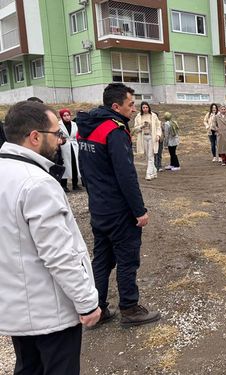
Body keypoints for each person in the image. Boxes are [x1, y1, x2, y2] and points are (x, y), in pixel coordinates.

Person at [0, 100, 101, 374]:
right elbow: (59, 253)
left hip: (17, 309)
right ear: (34, 137)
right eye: (57, 133)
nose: (61, 140)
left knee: (28, 368)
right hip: (50, 312)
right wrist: (87, 301)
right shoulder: (37, 183)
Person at [76, 83, 160, 327]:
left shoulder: (85, 129)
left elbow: (86, 170)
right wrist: (139, 211)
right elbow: (126, 176)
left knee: (101, 259)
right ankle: (130, 308)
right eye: (130, 104)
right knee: (127, 259)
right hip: (118, 210)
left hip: (99, 208)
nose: (133, 109)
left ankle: (97, 307)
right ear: (116, 106)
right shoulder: (113, 130)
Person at [132, 101, 162, 181]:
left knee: (150, 156)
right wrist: (142, 126)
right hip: (143, 137)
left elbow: (158, 126)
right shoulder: (138, 117)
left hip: (152, 137)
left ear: (149, 107)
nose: (145, 109)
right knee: (147, 155)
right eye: (143, 107)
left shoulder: (153, 116)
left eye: (146, 107)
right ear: (141, 108)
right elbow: (135, 129)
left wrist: (158, 135)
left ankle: (148, 174)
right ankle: (154, 171)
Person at [58, 108, 82, 192]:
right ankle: (64, 185)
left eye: (68, 115)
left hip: (74, 145)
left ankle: (75, 184)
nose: (67, 117)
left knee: (75, 165)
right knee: (65, 165)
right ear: (61, 116)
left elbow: (77, 134)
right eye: (64, 115)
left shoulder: (74, 124)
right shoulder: (58, 125)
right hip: (64, 146)